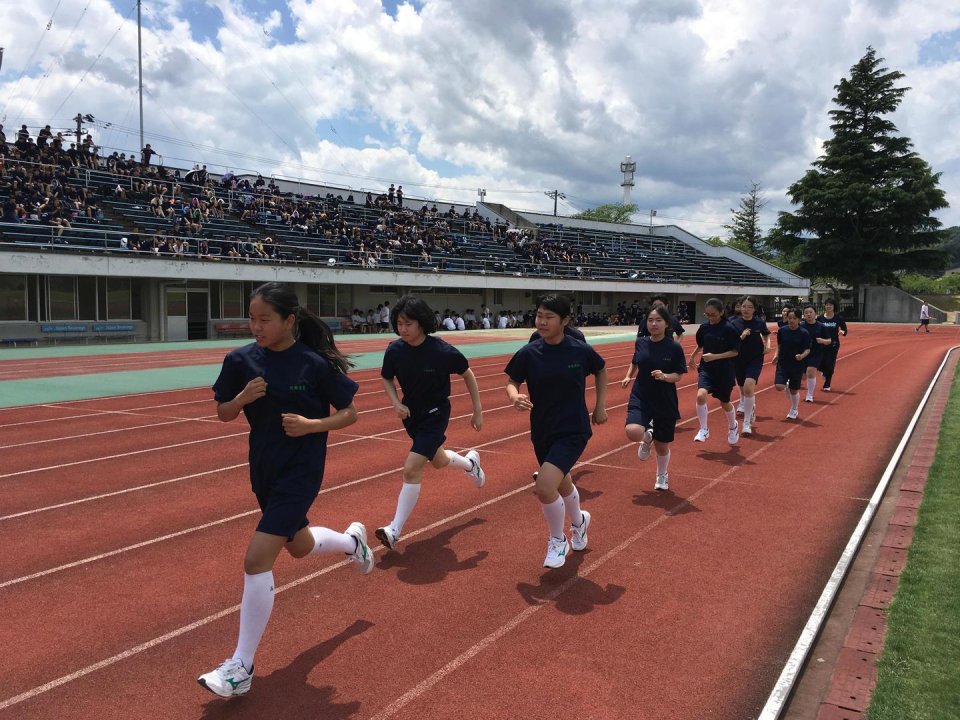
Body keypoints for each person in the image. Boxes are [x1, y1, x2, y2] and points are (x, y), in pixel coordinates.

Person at [199, 282, 372, 698]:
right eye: (251, 318)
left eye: (265, 319)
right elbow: (223, 414)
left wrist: (312, 426)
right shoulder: (239, 360)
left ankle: (241, 667)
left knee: (257, 558)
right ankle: (352, 543)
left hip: (302, 470)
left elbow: (350, 413)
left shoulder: (312, 364)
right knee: (298, 545)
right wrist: (241, 397)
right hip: (264, 468)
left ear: (289, 321)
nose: (255, 326)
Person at [505, 294, 607, 568]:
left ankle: (557, 540)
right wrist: (514, 396)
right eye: (539, 315)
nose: (542, 321)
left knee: (544, 486)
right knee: (562, 483)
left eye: (549, 317)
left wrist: (600, 406)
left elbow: (600, 370)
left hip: (573, 428)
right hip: (542, 428)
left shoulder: (579, 350)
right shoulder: (530, 352)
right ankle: (580, 522)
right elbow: (512, 380)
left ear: (565, 320)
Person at [376, 296, 485, 549]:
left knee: (412, 468)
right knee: (438, 460)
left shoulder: (442, 351)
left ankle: (394, 529)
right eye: (399, 323)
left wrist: (477, 410)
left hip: (436, 413)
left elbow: (467, 374)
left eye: (408, 324)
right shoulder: (394, 350)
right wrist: (395, 403)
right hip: (412, 415)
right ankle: (470, 464)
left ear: (422, 323)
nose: (403, 329)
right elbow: (386, 378)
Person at [620, 305, 688, 491]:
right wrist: (628, 375)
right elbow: (636, 360)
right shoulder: (641, 342)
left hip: (664, 397)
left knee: (662, 446)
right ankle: (646, 437)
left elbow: (679, 375)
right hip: (641, 394)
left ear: (667, 324)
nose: (654, 324)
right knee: (632, 431)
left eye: (658, 320)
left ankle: (661, 474)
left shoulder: (674, 347)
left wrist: (665, 376)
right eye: (650, 320)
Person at [688, 298, 741, 445]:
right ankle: (704, 429)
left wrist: (716, 356)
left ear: (721, 312)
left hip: (725, 370)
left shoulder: (729, 329)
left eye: (713, 314)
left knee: (724, 402)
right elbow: (701, 345)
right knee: (700, 395)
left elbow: (735, 352)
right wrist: (692, 356)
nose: (710, 317)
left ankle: (733, 426)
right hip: (707, 368)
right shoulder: (704, 328)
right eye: (708, 314)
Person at [727, 295, 771, 435]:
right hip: (738, 358)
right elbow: (729, 342)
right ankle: (750, 407)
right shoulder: (733, 323)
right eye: (744, 306)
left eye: (749, 307)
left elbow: (766, 334)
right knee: (743, 388)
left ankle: (746, 423)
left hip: (755, 358)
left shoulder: (758, 322)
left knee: (748, 386)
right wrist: (741, 336)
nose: (746, 309)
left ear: (754, 309)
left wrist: (768, 345)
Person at [772, 308, 811, 420]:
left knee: (794, 390)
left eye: (794, 318)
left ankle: (794, 409)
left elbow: (807, 350)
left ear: (799, 319)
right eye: (789, 318)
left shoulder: (804, 333)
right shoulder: (782, 331)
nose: (791, 320)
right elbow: (779, 345)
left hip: (797, 364)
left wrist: (801, 356)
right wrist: (776, 355)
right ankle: (786, 387)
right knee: (779, 386)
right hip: (783, 362)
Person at [801, 304, 830, 402]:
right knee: (803, 377)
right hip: (803, 353)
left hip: (816, 353)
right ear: (803, 315)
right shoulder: (801, 326)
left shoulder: (821, 326)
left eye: (810, 312)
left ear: (815, 314)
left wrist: (822, 340)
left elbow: (829, 340)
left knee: (810, 371)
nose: (808, 314)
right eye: (806, 313)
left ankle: (809, 395)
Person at [817, 298, 848, 391]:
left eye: (831, 305)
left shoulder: (838, 318)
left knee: (830, 364)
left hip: (833, 345)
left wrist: (842, 331)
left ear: (834, 306)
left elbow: (844, 329)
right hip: (821, 344)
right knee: (820, 363)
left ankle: (827, 384)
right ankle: (823, 371)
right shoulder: (820, 318)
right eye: (827, 304)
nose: (828, 306)